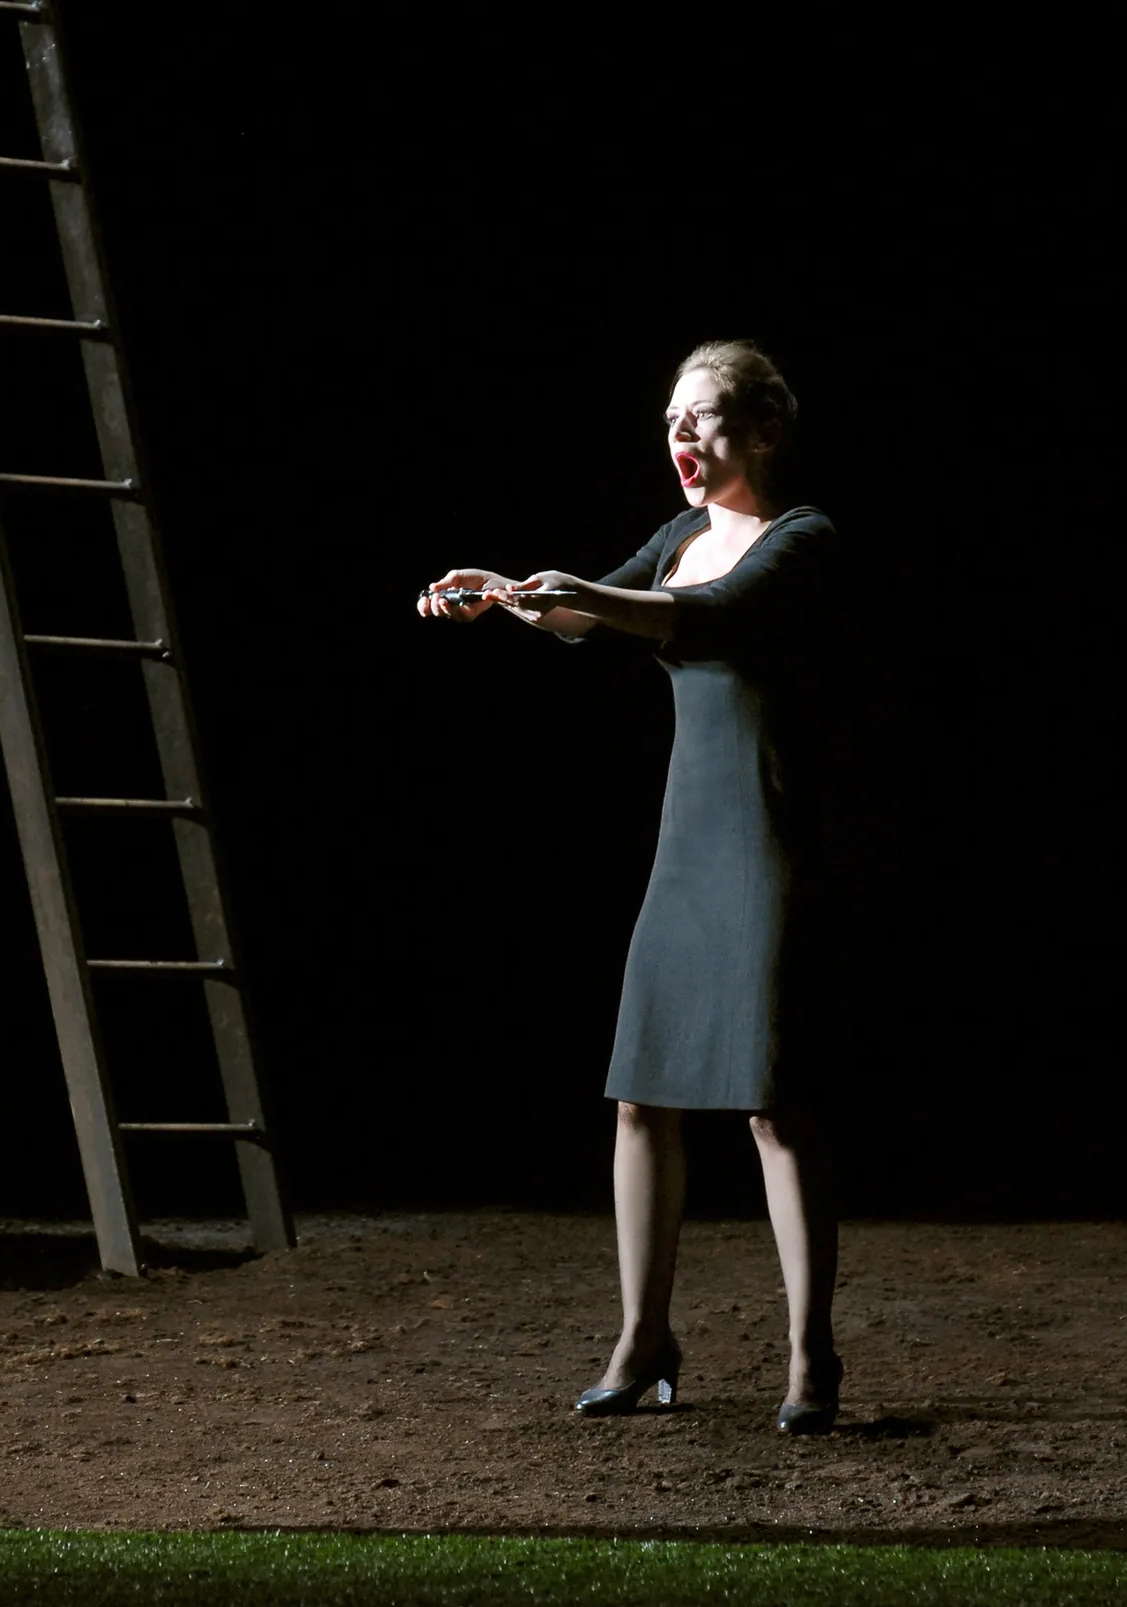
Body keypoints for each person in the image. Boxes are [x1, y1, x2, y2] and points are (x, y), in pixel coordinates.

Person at [417, 340, 845, 1434]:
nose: (681, 441)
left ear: (762, 432)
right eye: (670, 422)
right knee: (641, 1092)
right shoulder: (681, 536)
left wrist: (584, 595)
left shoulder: (802, 539)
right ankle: (643, 1340)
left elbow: (696, 616)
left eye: (702, 420)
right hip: (685, 847)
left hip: (762, 837)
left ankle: (810, 1359)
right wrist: (504, 593)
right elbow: (589, 610)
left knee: (771, 1105)